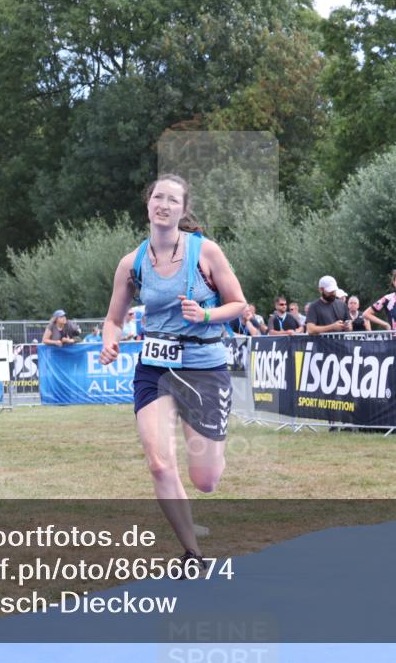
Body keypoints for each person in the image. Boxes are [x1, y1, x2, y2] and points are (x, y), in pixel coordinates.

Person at [99, 173, 246, 569]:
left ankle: (212, 457)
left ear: (183, 211)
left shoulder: (206, 252)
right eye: (158, 197)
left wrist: (207, 313)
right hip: (155, 368)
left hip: (203, 367)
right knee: (160, 464)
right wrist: (109, 340)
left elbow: (239, 306)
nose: (164, 204)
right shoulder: (132, 263)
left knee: (206, 480)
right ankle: (192, 554)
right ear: (148, 204)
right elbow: (113, 318)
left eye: (173, 200)